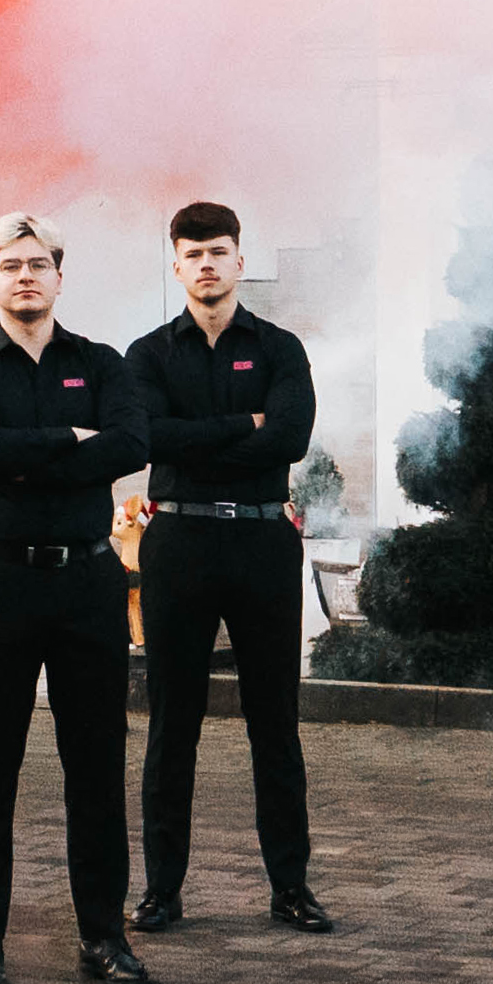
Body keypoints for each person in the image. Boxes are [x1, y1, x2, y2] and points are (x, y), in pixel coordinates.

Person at [0, 210, 151, 984]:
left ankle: (103, 934)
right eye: (9, 264)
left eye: (39, 263)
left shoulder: (102, 362)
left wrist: (32, 451)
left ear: (59, 276)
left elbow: (131, 445)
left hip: (88, 583)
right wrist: (72, 440)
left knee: (96, 761)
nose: (25, 275)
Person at [126, 200, 329, 933]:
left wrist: (200, 440)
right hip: (178, 543)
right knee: (170, 723)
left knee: (274, 721)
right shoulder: (147, 355)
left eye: (219, 251)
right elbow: (147, 437)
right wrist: (245, 428)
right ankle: (161, 890)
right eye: (193, 253)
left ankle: (291, 888)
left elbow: (293, 438)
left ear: (240, 260)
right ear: (176, 264)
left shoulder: (279, 348)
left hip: (262, 542)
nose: (207, 264)